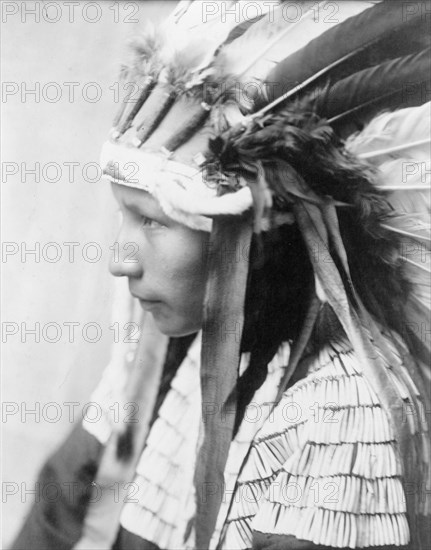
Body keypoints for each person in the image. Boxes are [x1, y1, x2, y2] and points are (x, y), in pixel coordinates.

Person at [12, 1, 430, 549]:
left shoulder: (339, 409)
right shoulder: (166, 348)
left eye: (153, 221)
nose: (121, 260)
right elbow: (56, 515)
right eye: (125, 215)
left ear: (249, 240)